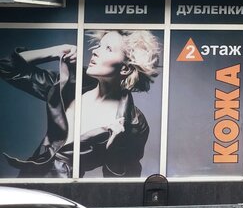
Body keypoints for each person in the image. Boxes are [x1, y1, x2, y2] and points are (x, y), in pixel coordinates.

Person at [0, 31, 161, 178]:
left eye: (108, 49)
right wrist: (55, 51)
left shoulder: (134, 124)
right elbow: (7, 67)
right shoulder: (70, 85)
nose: (95, 51)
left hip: (65, 193)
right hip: (28, 180)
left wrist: (114, 150)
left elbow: (123, 185)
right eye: (99, 45)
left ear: (124, 69)